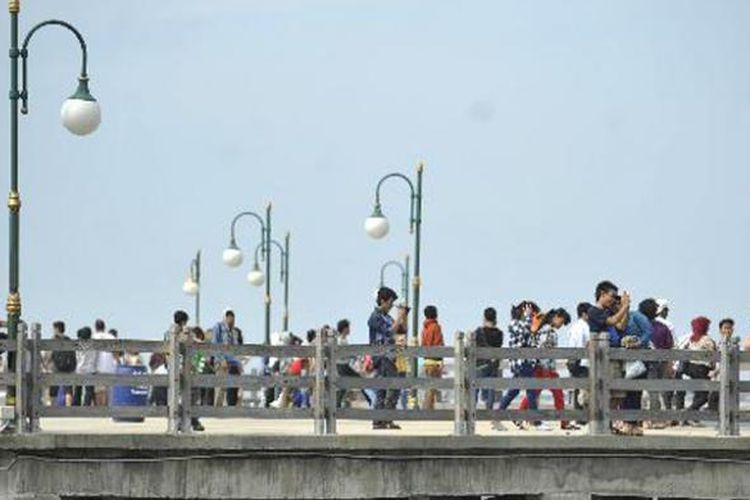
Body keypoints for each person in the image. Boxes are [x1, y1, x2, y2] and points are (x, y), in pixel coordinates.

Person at [519, 308, 576, 430]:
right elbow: (543, 350)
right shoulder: (547, 331)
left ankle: (520, 415)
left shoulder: (545, 329)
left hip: (544, 368)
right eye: (562, 321)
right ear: (557, 316)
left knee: (535, 393)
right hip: (545, 368)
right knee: (555, 394)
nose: (562, 325)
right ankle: (564, 421)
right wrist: (546, 369)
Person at [587, 281, 631, 434]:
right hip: (602, 358)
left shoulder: (608, 310)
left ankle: (609, 424)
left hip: (613, 356)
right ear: (602, 294)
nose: (613, 300)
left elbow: (621, 326)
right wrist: (623, 307)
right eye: (612, 296)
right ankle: (603, 425)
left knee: (618, 393)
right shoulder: (594, 311)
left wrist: (627, 308)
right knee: (607, 393)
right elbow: (612, 321)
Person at [497, 301, 541, 429]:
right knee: (531, 392)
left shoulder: (523, 323)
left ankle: (498, 414)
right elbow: (524, 332)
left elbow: (531, 338)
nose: (532, 316)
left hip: (525, 362)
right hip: (521, 362)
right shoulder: (514, 324)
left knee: (514, 391)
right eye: (530, 313)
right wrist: (528, 316)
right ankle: (535, 421)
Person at [368, 287, 407, 430]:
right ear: (382, 301)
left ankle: (381, 420)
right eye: (390, 302)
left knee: (383, 389)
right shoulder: (375, 317)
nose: (391, 306)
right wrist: (399, 317)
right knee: (392, 386)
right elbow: (389, 332)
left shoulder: (388, 316)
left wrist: (403, 316)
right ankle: (384, 419)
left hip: (390, 356)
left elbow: (401, 331)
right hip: (382, 356)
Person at [681, 316, 716, 425]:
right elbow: (713, 355)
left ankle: (693, 418)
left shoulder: (690, 339)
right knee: (704, 396)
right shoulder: (707, 340)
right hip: (701, 369)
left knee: (698, 394)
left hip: (691, 369)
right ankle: (688, 413)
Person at [647, 300, 675, 428]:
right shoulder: (665, 326)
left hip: (647, 362)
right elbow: (670, 346)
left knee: (649, 391)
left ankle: (650, 418)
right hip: (661, 362)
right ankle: (660, 418)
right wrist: (670, 364)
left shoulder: (641, 325)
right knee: (660, 390)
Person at [335, 319, 371, 408]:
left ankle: (337, 404)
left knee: (347, 384)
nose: (350, 330)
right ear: (344, 329)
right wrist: (352, 356)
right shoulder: (340, 341)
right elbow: (341, 355)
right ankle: (370, 400)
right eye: (348, 328)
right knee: (349, 383)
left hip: (344, 365)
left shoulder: (343, 339)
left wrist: (352, 356)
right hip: (341, 365)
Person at [211, 309, 243, 407]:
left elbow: (237, 347)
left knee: (233, 387)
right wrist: (221, 359)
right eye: (228, 316)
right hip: (223, 361)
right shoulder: (218, 327)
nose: (231, 319)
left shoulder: (235, 331)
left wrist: (239, 362)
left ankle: (231, 409)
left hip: (234, 362)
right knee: (220, 386)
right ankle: (217, 409)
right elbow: (215, 344)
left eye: (232, 317)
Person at [475, 307, 503, 414]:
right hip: (493, 364)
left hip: (480, 363)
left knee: (475, 388)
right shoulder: (499, 333)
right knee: (491, 388)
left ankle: (473, 410)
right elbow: (499, 348)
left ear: (484, 317)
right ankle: (489, 412)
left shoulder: (478, 332)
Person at [567, 303, 591, 415]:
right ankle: (582, 416)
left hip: (572, 359)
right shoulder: (585, 327)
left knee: (578, 389)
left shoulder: (574, 326)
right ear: (584, 314)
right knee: (584, 390)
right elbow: (585, 344)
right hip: (582, 360)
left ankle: (578, 415)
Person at [421, 306, 444, 411]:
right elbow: (438, 343)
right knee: (432, 387)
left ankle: (427, 408)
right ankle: (428, 410)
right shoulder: (436, 326)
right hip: (434, 360)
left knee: (429, 387)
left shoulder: (424, 328)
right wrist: (440, 360)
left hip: (426, 360)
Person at [47, 321, 75, 406]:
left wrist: (47, 364)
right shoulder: (68, 340)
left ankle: (52, 409)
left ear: (56, 329)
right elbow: (73, 354)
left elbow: (49, 354)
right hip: (68, 367)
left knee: (53, 390)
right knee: (68, 390)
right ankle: (68, 409)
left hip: (56, 367)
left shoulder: (53, 340)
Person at [93, 319, 117, 407]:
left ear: (95, 327)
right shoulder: (111, 337)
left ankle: (100, 410)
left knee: (99, 391)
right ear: (104, 327)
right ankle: (106, 410)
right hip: (110, 367)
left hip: (98, 367)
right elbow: (116, 353)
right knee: (108, 391)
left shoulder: (93, 337)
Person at [73, 326, 96, 407]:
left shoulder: (78, 345)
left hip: (79, 368)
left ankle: (75, 406)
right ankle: (86, 406)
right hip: (90, 369)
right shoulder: (93, 344)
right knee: (89, 390)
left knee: (78, 390)